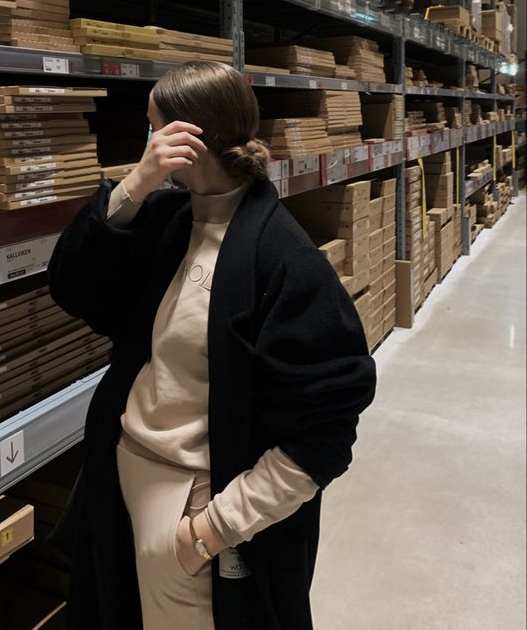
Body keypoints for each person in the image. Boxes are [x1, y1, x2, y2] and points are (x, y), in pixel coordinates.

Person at [48, 60, 377, 630]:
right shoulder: (173, 220)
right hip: (123, 482)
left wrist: (210, 531)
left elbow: (327, 430)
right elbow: (74, 286)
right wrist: (134, 183)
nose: (146, 141)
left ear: (185, 140)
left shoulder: (282, 259)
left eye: (152, 128)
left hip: (192, 506)